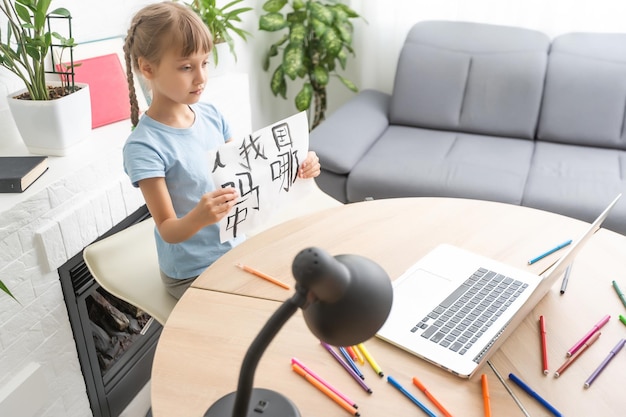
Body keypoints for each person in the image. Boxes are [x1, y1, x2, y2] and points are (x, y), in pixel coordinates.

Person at [122, 1, 321, 299]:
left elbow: (246, 176)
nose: (201, 77)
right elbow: (167, 229)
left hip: (235, 248)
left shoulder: (212, 115)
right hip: (191, 272)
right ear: (147, 68)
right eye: (186, 67)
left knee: (299, 290)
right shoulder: (144, 146)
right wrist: (199, 216)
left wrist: (293, 168)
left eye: (204, 63)